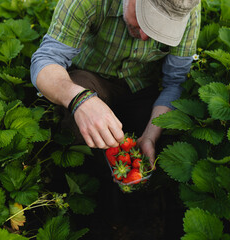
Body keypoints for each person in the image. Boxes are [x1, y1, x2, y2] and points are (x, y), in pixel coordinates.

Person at [30, 0, 201, 163]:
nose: (144, 36)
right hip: (90, 78)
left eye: (160, 29)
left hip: (140, 87)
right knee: (79, 123)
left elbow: (174, 82)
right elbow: (46, 60)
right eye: (144, 19)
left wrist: (150, 135)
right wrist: (79, 99)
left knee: (157, 146)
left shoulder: (186, 8)